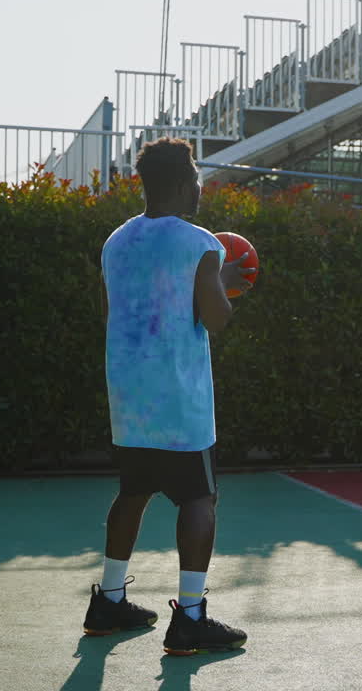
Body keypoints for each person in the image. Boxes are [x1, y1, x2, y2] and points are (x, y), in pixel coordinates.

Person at [82, 136, 255, 655]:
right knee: (199, 499)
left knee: (132, 493)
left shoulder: (116, 241)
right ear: (184, 184)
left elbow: (114, 313)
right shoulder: (201, 242)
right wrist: (225, 280)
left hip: (130, 397)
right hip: (179, 398)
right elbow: (217, 318)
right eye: (198, 177)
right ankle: (192, 618)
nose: (201, 186)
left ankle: (109, 602)